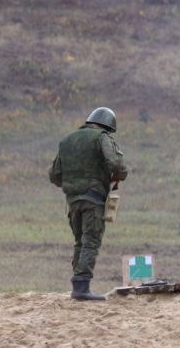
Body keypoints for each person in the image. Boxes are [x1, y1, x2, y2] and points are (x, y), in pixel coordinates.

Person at [48, 106, 129, 301]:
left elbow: (54, 175)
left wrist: (74, 184)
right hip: (93, 197)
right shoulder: (101, 137)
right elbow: (116, 164)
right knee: (91, 240)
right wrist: (118, 177)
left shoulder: (67, 140)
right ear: (108, 125)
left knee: (79, 241)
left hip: (72, 199)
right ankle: (82, 287)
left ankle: (78, 283)